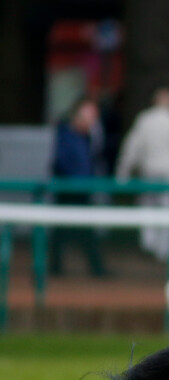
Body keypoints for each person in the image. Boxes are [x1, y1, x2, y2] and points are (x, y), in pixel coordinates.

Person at [115, 87, 169, 261]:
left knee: (148, 208)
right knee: (168, 208)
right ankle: (164, 250)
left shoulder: (145, 119)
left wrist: (122, 172)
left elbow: (131, 148)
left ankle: (149, 245)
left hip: (149, 171)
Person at [49, 97, 107, 277]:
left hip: (82, 191)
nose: (92, 122)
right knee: (62, 232)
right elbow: (61, 163)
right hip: (68, 191)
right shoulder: (66, 134)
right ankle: (55, 268)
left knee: (84, 233)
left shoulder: (87, 137)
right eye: (90, 117)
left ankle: (95, 268)